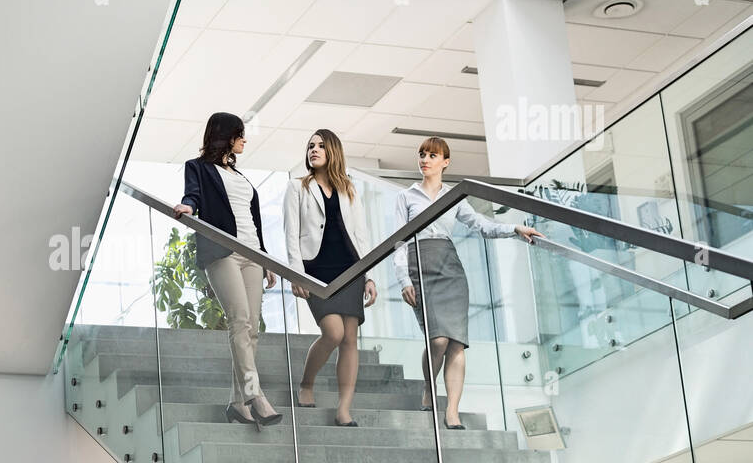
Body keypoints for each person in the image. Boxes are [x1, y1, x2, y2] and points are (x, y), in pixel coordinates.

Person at [393, 137, 542, 429]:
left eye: (432, 155)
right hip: (419, 263)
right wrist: (403, 279)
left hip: (450, 268)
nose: (425, 159)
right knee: (437, 339)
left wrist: (514, 228)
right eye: (422, 154)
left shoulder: (454, 197)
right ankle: (428, 386)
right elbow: (398, 241)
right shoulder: (405, 196)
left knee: (456, 344)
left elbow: (482, 226)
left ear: (445, 162)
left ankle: (452, 411)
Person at [174, 113, 283, 429]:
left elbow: (252, 218)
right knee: (240, 320)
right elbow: (193, 194)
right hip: (223, 252)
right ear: (226, 136)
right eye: (241, 134)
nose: (245, 140)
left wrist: (264, 258)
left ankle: (237, 403)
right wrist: (188, 207)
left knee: (253, 329)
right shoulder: (198, 168)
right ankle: (254, 394)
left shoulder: (240, 175)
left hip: (252, 254)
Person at [283, 130, 377, 426]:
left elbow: (361, 235)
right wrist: (295, 274)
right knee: (333, 333)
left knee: (350, 338)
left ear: (333, 151)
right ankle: (306, 383)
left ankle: (344, 409)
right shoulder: (296, 187)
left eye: (321, 145)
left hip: (350, 269)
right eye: (310, 145)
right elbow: (290, 235)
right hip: (316, 271)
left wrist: (369, 276)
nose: (314, 150)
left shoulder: (349, 189)